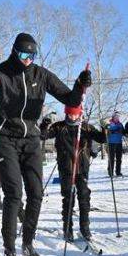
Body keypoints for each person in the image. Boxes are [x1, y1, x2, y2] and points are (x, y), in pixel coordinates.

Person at [0, 32, 90, 256]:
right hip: (5, 138)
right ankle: (9, 250)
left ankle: (27, 244)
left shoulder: (41, 75)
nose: (27, 60)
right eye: (23, 54)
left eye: (32, 55)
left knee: (36, 193)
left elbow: (70, 98)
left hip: (31, 139)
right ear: (14, 51)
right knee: (14, 194)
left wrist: (80, 84)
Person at [47, 104, 106, 242]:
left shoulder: (86, 127)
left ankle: (85, 228)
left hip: (82, 168)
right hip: (66, 168)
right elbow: (44, 135)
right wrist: (45, 124)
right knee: (68, 198)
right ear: (66, 113)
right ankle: (67, 229)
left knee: (84, 197)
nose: (73, 117)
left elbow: (101, 139)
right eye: (70, 114)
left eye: (76, 114)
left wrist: (105, 128)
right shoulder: (59, 127)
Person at [106, 112, 125, 177]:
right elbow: (106, 131)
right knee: (111, 158)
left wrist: (121, 131)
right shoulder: (109, 123)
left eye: (118, 117)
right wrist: (112, 131)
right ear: (113, 117)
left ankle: (118, 171)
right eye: (115, 117)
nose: (116, 118)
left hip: (119, 143)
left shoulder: (120, 124)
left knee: (119, 158)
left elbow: (124, 132)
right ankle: (110, 172)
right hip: (111, 143)